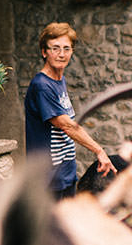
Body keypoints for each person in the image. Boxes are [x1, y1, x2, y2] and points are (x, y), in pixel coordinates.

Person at [23, 22, 116, 198]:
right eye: (55, 48)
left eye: (67, 48)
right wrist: (99, 151)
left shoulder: (60, 81)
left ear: (72, 52)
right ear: (44, 52)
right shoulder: (42, 86)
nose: (61, 54)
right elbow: (68, 126)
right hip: (48, 177)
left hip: (65, 172)